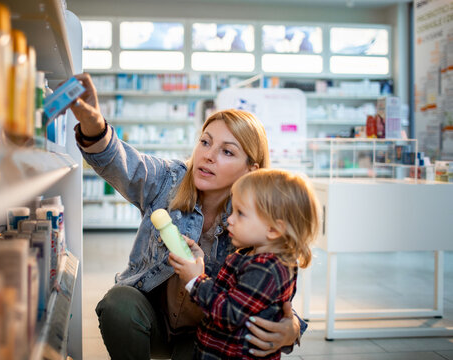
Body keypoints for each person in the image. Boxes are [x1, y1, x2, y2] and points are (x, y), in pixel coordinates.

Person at [70, 73, 306, 359]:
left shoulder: (256, 220)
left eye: (227, 152)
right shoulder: (170, 179)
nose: (208, 155)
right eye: (205, 142)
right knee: (118, 304)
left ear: (251, 170)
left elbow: (271, 286)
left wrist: (293, 326)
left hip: (206, 333)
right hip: (151, 318)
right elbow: (122, 165)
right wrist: (94, 124)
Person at [169, 169, 319, 359]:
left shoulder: (266, 269)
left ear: (273, 229)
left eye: (240, 214)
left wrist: (196, 280)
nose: (230, 220)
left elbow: (230, 314)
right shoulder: (251, 254)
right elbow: (230, 293)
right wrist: (200, 265)